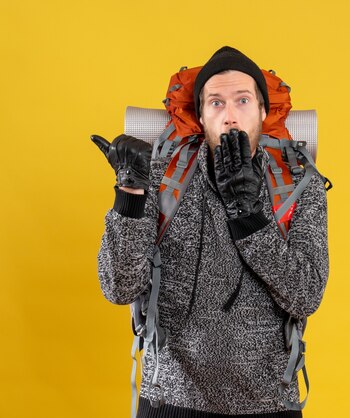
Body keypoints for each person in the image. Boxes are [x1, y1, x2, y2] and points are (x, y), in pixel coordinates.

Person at [93, 46, 329, 418]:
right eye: (216, 103)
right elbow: (119, 288)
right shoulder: (160, 178)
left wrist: (248, 216)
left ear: (263, 111)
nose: (230, 116)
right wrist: (131, 193)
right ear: (201, 116)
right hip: (170, 396)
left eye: (243, 100)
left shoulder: (300, 184)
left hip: (269, 400)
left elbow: (306, 295)